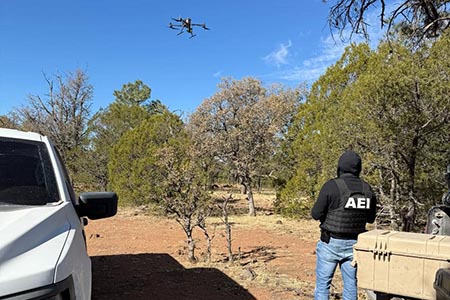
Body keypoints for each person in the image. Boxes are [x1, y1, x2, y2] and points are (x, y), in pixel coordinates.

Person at [311, 150, 377, 300]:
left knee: (323, 286)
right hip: (355, 244)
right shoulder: (367, 189)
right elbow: (371, 219)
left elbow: (316, 214)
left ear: (340, 167)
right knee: (350, 285)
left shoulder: (331, 186)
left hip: (330, 243)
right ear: (359, 168)